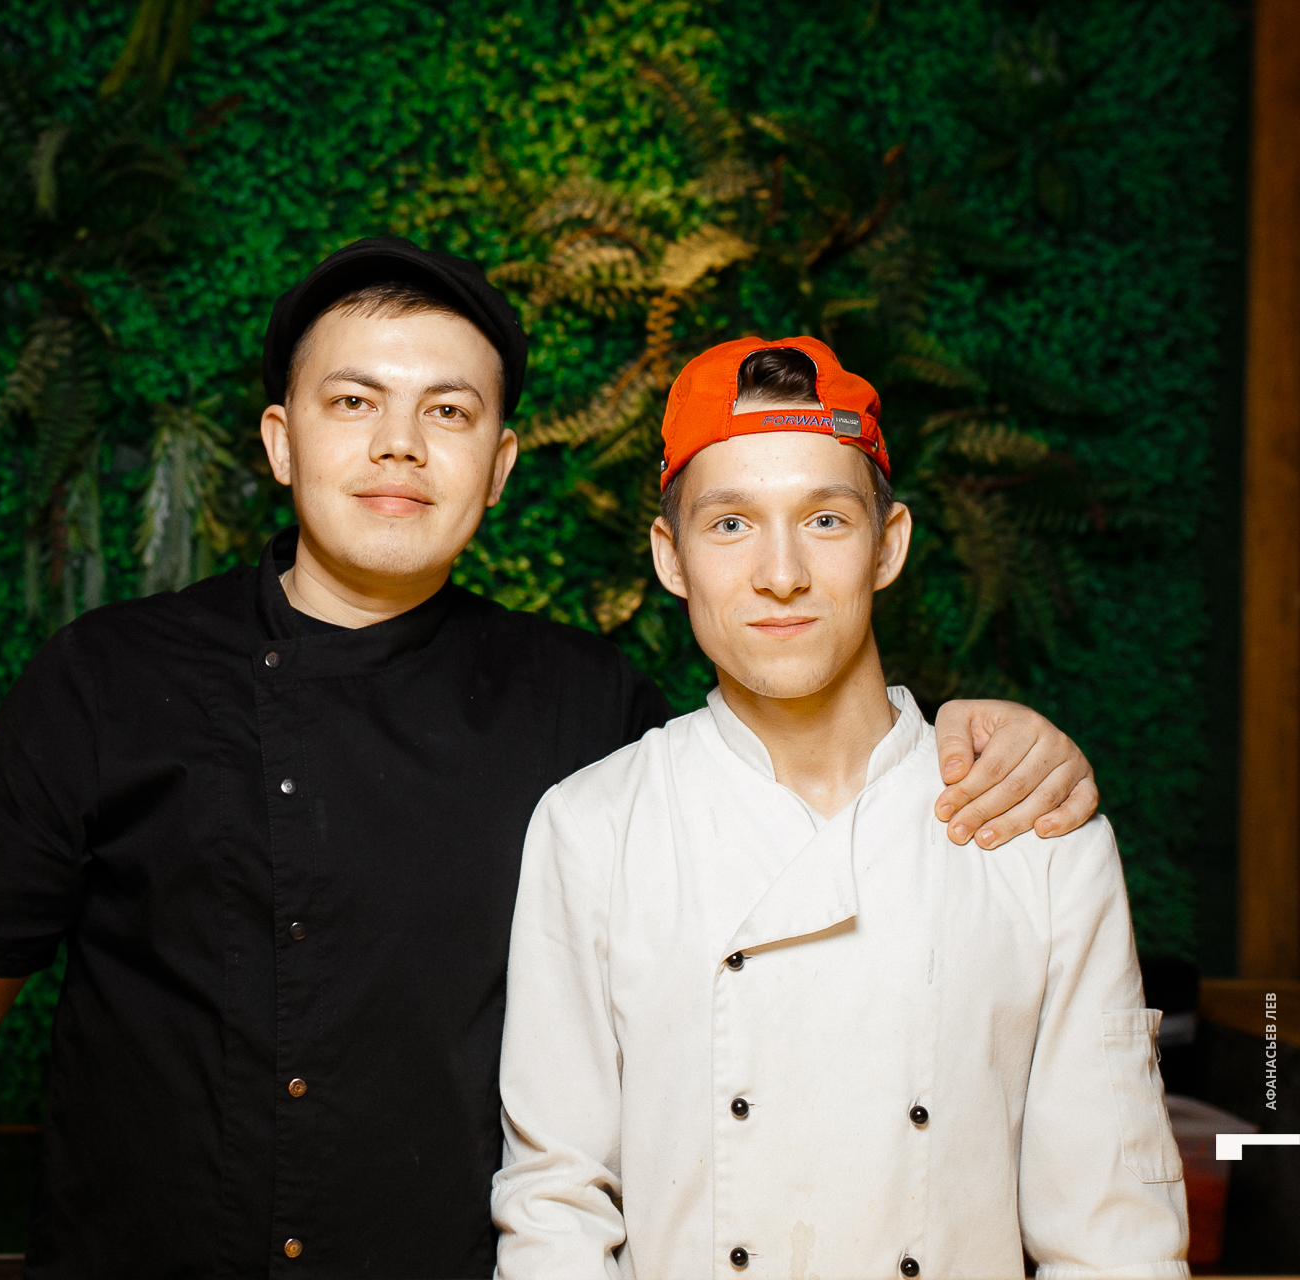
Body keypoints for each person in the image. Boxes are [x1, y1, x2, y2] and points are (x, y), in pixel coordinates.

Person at [0, 240, 1104, 1280]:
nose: (400, 445)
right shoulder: (108, 678)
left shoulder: (584, 705)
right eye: (354, 402)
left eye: (448, 411)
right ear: (281, 440)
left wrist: (981, 733)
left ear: (500, 465)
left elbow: (785, 768)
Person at [492, 337, 1187, 1279]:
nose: (781, 573)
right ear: (671, 557)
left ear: (887, 544)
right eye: (730, 524)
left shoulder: (1039, 834)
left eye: (824, 519)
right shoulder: (591, 828)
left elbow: (1113, 1241)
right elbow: (555, 1210)